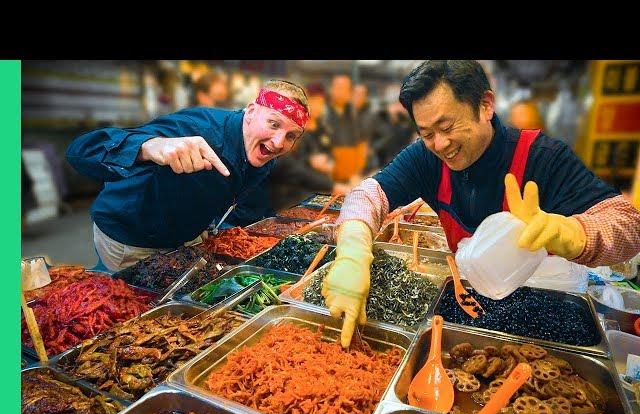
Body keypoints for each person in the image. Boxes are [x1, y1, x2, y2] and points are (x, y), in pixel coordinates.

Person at [322, 60, 640, 348]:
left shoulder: (545, 157)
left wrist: (575, 233)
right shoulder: (425, 158)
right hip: (473, 295)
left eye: (447, 128)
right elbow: (368, 195)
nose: (440, 144)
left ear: (485, 105)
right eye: (427, 133)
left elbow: (627, 224)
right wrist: (352, 254)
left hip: (550, 297)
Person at [66, 79, 308, 271]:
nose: (278, 143)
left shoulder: (263, 152)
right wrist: (148, 147)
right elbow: (81, 151)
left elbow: (242, 201)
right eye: (274, 124)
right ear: (252, 111)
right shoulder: (196, 128)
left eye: (291, 136)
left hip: (187, 235)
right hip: (132, 238)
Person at [267, 82, 334, 211]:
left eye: (321, 103)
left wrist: (327, 164)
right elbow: (289, 166)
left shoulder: (322, 129)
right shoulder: (293, 129)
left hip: (312, 190)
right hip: (286, 196)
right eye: (314, 102)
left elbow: (328, 154)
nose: (318, 107)